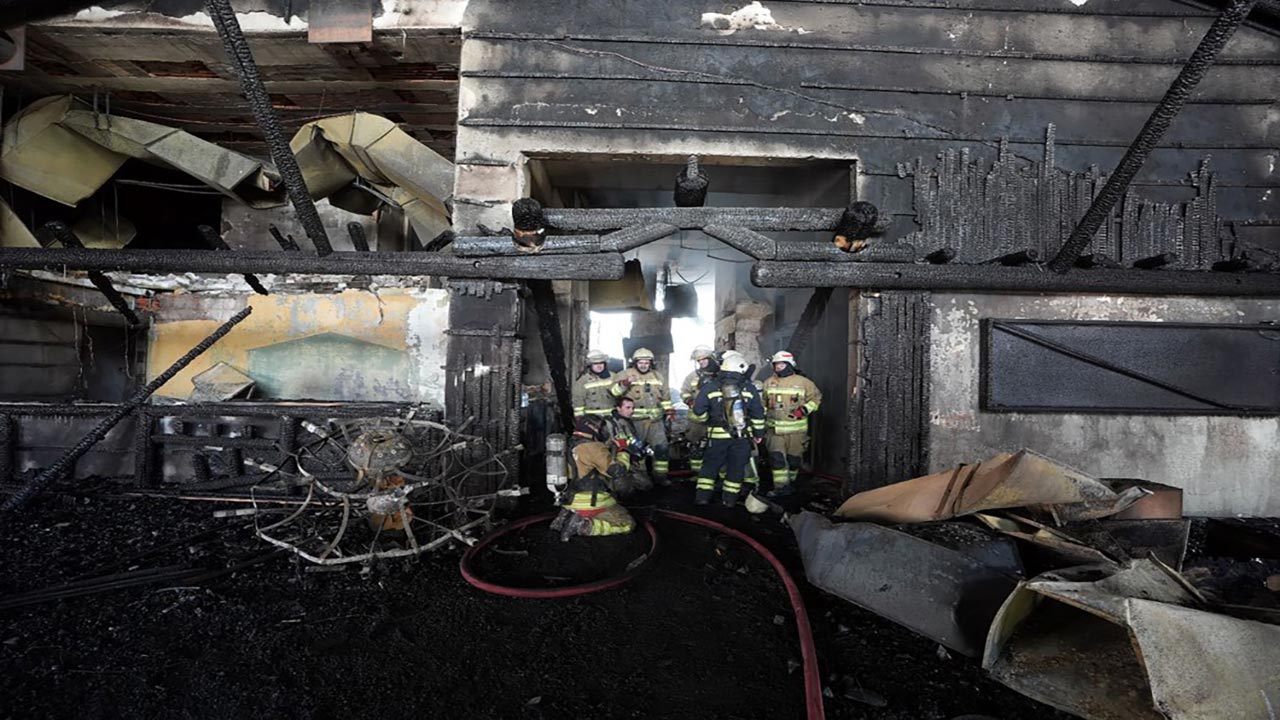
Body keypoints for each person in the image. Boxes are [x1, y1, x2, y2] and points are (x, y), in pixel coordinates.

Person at [690, 350, 765, 507]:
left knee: (710, 467)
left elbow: (698, 412)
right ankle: (729, 500)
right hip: (741, 437)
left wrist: (707, 420)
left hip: (717, 437)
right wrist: (758, 434)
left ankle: (702, 498)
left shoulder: (710, 387)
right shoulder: (749, 389)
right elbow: (758, 414)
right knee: (736, 468)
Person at [549, 415, 637, 540]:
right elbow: (617, 471)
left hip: (569, 499)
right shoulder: (593, 447)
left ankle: (566, 516)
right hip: (591, 502)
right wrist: (623, 450)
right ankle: (584, 525)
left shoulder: (567, 443)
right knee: (627, 524)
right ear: (594, 428)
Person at [761, 350, 822, 498]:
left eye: (781, 364)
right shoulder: (769, 383)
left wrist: (804, 410)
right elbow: (762, 404)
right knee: (777, 460)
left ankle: (792, 485)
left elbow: (816, 399)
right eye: (776, 364)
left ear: (789, 365)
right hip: (774, 432)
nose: (778, 367)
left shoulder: (804, 383)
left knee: (793, 461)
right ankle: (780, 488)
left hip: (796, 432)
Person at [610, 347, 672, 485]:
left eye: (646, 362)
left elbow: (666, 397)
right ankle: (641, 479)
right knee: (637, 451)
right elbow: (614, 393)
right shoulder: (624, 374)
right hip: (634, 422)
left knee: (661, 449)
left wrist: (669, 412)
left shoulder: (658, 376)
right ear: (635, 362)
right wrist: (625, 383)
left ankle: (661, 477)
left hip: (655, 422)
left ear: (651, 363)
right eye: (641, 362)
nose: (643, 365)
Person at [679, 345, 719, 475]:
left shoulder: (720, 375)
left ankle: (714, 474)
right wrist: (689, 400)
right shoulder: (692, 376)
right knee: (695, 447)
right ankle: (697, 475)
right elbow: (684, 392)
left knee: (715, 448)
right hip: (696, 421)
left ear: (711, 359)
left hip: (715, 420)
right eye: (699, 361)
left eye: (704, 359)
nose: (701, 363)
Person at [611, 396, 654, 493]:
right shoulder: (614, 423)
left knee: (647, 485)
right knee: (629, 490)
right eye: (627, 408)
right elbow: (622, 441)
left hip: (630, 458)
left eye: (633, 408)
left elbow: (630, 439)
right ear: (618, 408)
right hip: (619, 462)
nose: (631, 411)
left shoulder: (626, 421)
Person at [572, 349, 615, 422]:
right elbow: (578, 403)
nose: (599, 366)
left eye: (601, 363)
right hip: (591, 421)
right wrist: (580, 420)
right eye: (595, 363)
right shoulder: (582, 381)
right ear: (590, 365)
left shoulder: (613, 377)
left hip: (611, 419)